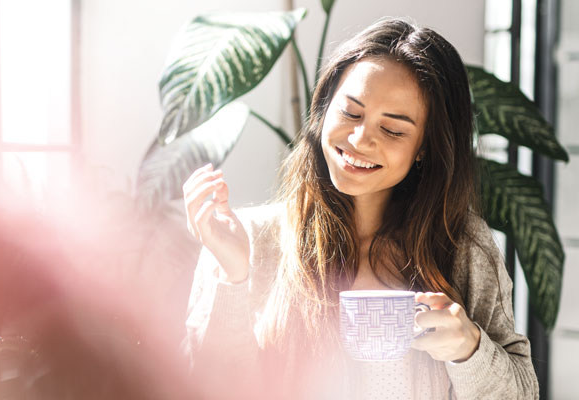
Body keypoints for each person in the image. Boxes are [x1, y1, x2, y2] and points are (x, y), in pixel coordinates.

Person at [182, 18, 539, 399]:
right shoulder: (249, 241)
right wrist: (233, 277)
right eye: (350, 113)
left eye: (393, 130)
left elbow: (522, 393)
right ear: (323, 108)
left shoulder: (462, 245)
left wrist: (469, 349)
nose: (359, 139)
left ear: (424, 148)